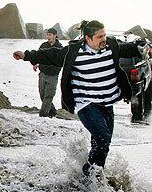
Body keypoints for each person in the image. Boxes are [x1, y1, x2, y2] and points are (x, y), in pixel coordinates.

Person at [13, 20, 148, 178]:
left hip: (107, 104)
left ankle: (93, 178)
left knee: (103, 144)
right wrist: (26, 55)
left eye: (104, 35)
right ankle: (90, 173)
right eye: (99, 37)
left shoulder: (110, 46)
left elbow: (128, 48)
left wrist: (143, 47)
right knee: (103, 137)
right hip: (86, 104)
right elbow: (52, 55)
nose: (104, 39)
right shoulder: (73, 51)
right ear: (88, 38)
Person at [34, 28, 63, 117]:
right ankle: (53, 112)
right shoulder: (43, 45)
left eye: (50, 35)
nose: (48, 37)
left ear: (55, 36)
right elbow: (38, 55)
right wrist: (35, 63)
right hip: (42, 74)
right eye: (47, 35)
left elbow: (63, 61)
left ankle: (43, 115)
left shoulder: (60, 48)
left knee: (48, 96)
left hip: (53, 76)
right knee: (42, 95)